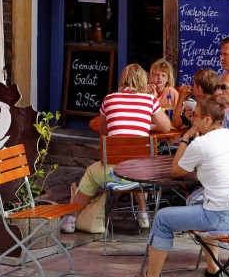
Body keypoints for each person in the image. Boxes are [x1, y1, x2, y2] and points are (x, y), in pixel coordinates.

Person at [127, 97, 229, 277]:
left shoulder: (201, 143)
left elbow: (175, 171)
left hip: (225, 218)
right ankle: (213, 271)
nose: (193, 120)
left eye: (196, 116)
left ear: (208, 121)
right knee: (200, 201)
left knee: (162, 218)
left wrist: (186, 138)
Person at [62, 63, 171, 235]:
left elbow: (104, 131)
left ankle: (71, 219)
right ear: (143, 80)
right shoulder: (150, 100)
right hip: (143, 178)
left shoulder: (109, 99)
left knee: (91, 174)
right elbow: (166, 127)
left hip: (113, 173)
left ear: (123, 79)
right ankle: (143, 215)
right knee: (138, 165)